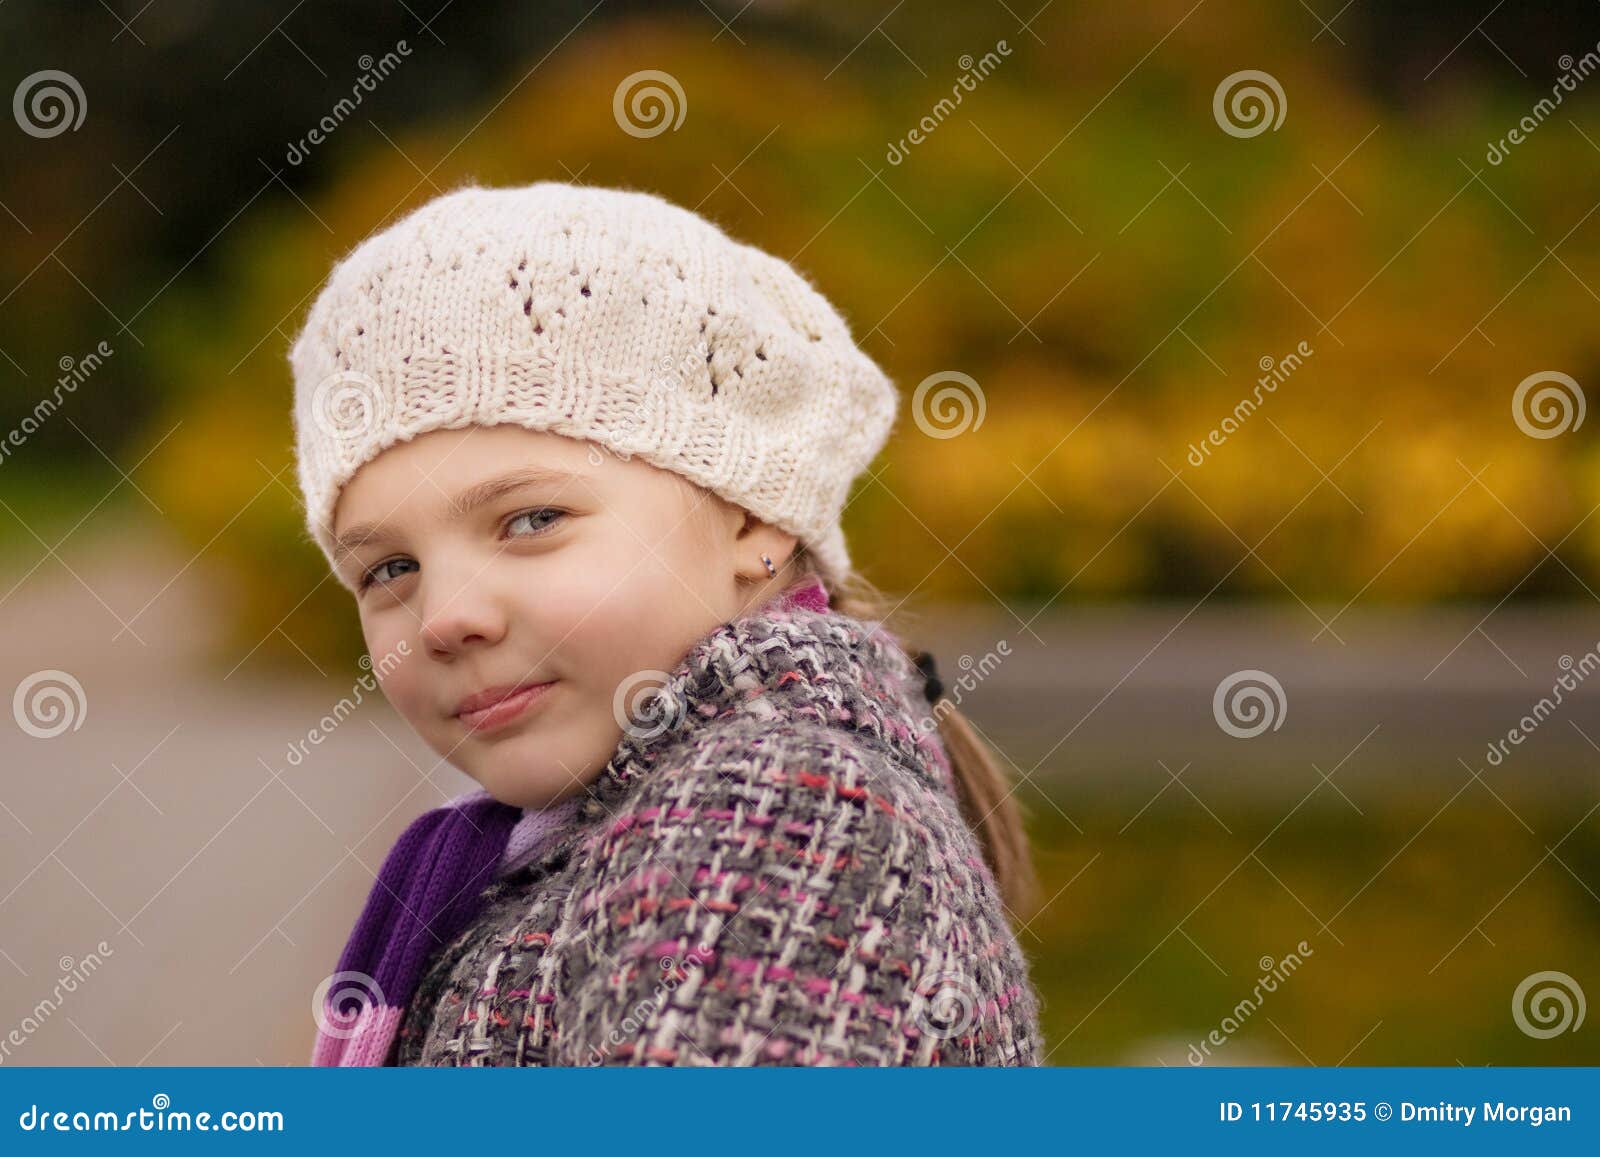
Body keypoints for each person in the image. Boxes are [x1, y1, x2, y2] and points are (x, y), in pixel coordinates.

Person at [290, 181, 1043, 1066]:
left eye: (531, 520)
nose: (445, 618)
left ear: (753, 520)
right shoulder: (593, 827)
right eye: (389, 569)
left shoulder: (777, 820)